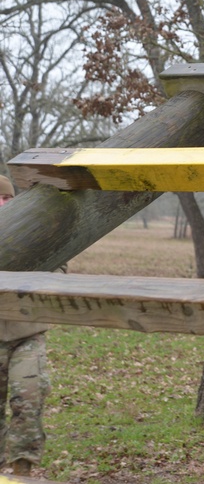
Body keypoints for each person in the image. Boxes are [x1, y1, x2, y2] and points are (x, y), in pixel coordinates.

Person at [0, 175, 51, 478]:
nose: (5, 203)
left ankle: (22, 471)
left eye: (9, 199)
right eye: (0, 198)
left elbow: (58, 266)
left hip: (27, 333)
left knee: (28, 401)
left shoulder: (32, 233)